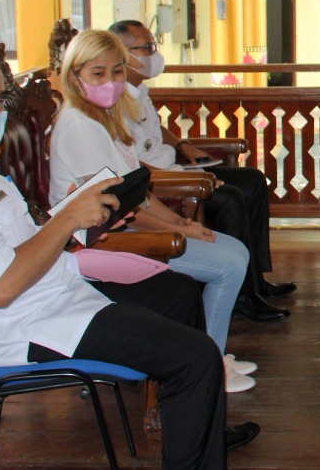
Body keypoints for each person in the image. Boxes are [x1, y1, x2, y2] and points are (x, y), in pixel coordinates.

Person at [0, 42, 260, 469]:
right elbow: (1, 288)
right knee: (197, 356)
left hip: (50, 294)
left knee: (177, 293)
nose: (3, 110)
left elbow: (16, 244)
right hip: (27, 327)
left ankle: (195, 424)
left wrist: (72, 216)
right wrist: (67, 221)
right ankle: (194, 432)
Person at [49, 28, 258, 393]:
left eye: (117, 71)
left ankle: (212, 354)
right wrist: (178, 231)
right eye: (98, 73)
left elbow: (138, 191)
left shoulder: (106, 117)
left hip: (122, 226)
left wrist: (181, 222)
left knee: (236, 250)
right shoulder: (79, 127)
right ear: (75, 76)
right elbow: (114, 207)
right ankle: (209, 366)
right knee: (228, 266)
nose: (111, 82)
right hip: (96, 241)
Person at [110, 19, 294, 322]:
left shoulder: (138, 90)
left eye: (154, 46)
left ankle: (256, 279)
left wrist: (184, 145)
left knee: (253, 180)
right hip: (162, 181)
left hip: (175, 167)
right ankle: (242, 298)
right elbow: (130, 165)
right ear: (123, 53)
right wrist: (190, 178)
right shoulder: (114, 100)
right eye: (147, 48)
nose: (154, 53)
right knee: (230, 197)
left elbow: (155, 129)